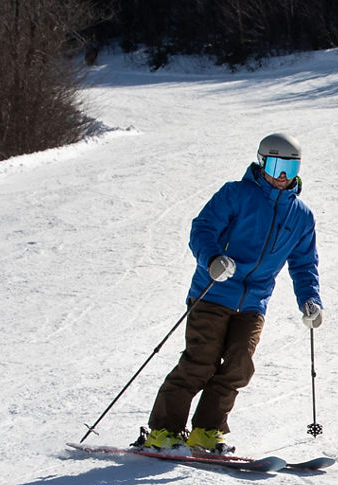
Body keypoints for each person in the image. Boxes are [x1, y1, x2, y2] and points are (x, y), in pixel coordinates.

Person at [136, 133, 324, 455]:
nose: (282, 176)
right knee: (201, 361)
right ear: (262, 162)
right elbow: (202, 228)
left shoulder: (302, 216)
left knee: (239, 365)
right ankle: (164, 431)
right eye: (278, 166)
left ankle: (207, 431)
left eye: (291, 169)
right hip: (213, 292)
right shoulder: (236, 194)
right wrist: (212, 260)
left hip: (254, 302)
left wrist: (311, 300)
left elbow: (304, 264)